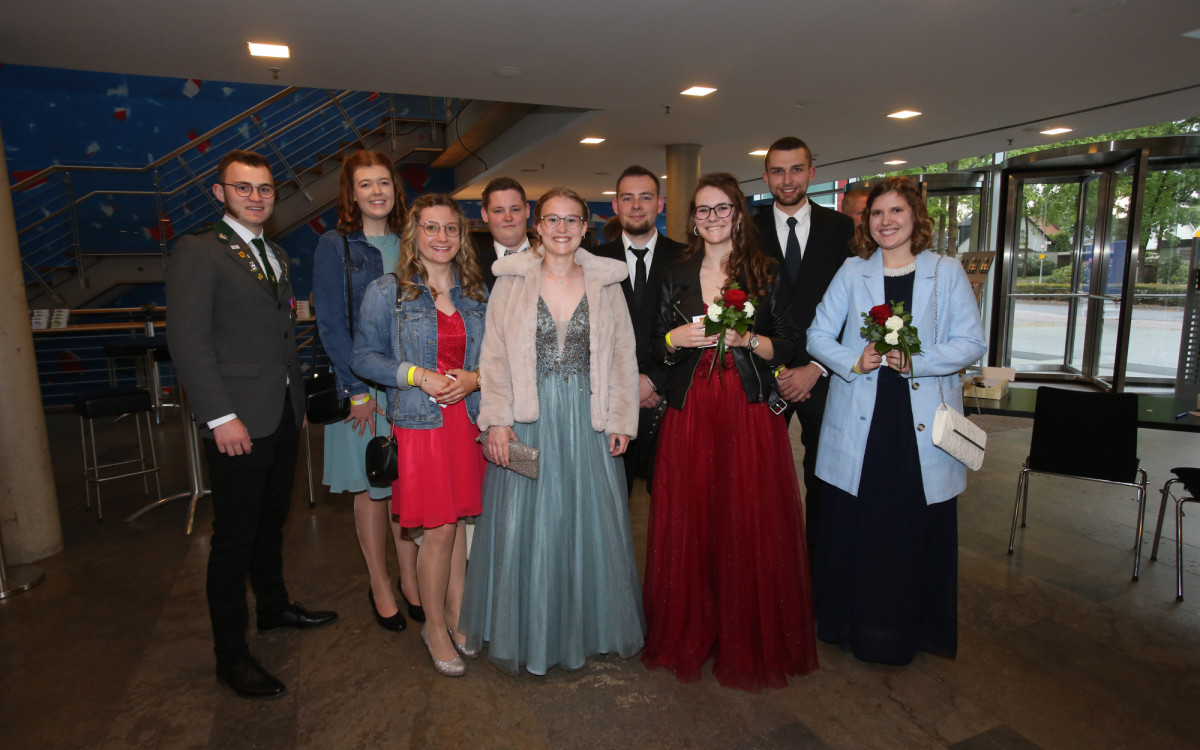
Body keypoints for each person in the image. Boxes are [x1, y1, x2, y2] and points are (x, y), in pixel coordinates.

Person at [166, 149, 336, 699]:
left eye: (265, 189)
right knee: (234, 538)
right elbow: (189, 342)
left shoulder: (276, 254)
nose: (257, 197)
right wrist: (220, 416)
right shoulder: (199, 251)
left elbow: (282, 334)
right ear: (221, 194)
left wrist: (298, 400)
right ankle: (230, 656)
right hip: (236, 420)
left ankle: (274, 607)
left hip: (282, 413)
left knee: (271, 523)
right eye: (244, 189)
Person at [643, 172, 818, 692]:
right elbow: (655, 343)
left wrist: (750, 340)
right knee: (693, 515)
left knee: (747, 515)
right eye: (703, 210)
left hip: (745, 407)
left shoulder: (765, 271)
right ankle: (695, 626)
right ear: (692, 219)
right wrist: (675, 337)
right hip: (690, 406)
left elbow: (788, 343)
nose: (713, 218)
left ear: (738, 215)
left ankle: (748, 632)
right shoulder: (674, 272)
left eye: (722, 209)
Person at [461, 187, 644, 676]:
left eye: (572, 220)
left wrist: (624, 418)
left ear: (586, 227)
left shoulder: (607, 284)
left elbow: (624, 357)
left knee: (589, 524)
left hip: (589, 421)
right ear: (536, 226)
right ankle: (530, 631)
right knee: (527, 525)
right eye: (552, 220)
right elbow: (493, 357)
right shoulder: (512, 283)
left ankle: (586, 629)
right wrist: (497, 420)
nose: (561, 229)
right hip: (527, 418)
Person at [806, 176, 986, 666]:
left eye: (896, 212)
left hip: (919, 422)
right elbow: (818, 334)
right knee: (863, 525)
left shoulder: (945, 272)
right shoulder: (852, 270)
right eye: (877, 213)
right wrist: (853, 358)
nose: (886, 222)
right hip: (864, 414)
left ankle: (913, 629)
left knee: (911, 527)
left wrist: (917, 359)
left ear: (915, 218)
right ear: (867, 221)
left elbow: (972, 343)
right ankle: (851, 624)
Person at [350, 194, 488, 677]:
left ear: (461, 236)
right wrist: (415, 374)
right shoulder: (388, 292)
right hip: (420, 425)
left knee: (457, 528)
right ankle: (433, 626)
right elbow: (362, 357)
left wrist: (474, 377)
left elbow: (495, 357)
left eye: (451, 229)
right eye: (431, 228)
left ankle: (456, 614)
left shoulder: (476, 293)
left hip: (466, 423)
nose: (441, 237)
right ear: (414, 234)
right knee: (440, 529)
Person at [312, 150, 422, 633]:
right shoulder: (334, 246)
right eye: (366, 184)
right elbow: (332, 325)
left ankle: (411, 581)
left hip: (413, 384)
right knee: (372, 486)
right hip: (363, 389)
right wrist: (357, 389)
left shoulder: (415, 241)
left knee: (405, 485)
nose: (377, 191)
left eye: (384, 182)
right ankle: (380, 582)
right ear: (350, 194)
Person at [752, 136, 855, 557]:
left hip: (823, 375)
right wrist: (778, 367)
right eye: (778, 171)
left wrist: (817, 366)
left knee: (824, 478)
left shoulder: (841, 228)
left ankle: (817, 569)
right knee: (759, 478)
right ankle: (766, 567)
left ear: (812, 173)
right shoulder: (747, 228)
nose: (787, 179)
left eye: (796, 169)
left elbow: (853, 306)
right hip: (763, 372)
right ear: (766, 177)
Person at [592, 165, 685, 495]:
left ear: (660, 204)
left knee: (671, 501)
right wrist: (627, 384)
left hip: (668, 396)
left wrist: (654, 380)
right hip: (610, 402)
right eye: (627, 198)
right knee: (611, 502)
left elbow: (692, 329)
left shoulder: (686, 257)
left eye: (645, 197)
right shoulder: (592, 260)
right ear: (615, 206)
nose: (636, 206)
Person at [477, 177, 531, 289]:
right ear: (485, 214)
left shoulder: (554, 262)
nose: (508, 217)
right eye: (498, 211)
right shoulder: (471, 270)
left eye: (515, 209)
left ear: (527, 210)